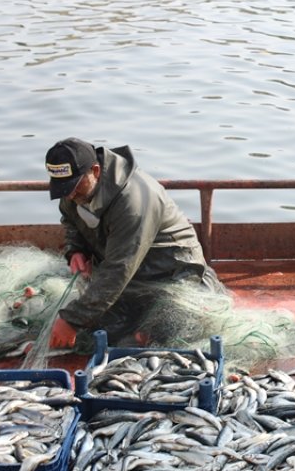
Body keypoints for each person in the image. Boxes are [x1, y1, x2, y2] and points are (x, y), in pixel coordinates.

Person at [44, 138, 222, 352]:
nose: (70, 195)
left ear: (96, 170)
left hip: (172, 273)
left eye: (74, 186)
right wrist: (76, 251)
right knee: (101, 332)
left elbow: (119, 268)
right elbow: (71, 220)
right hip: (130, 279)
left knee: (152, 337)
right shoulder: (74, 190)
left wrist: (72, 320)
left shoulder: (133, 201)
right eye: (63, 188)